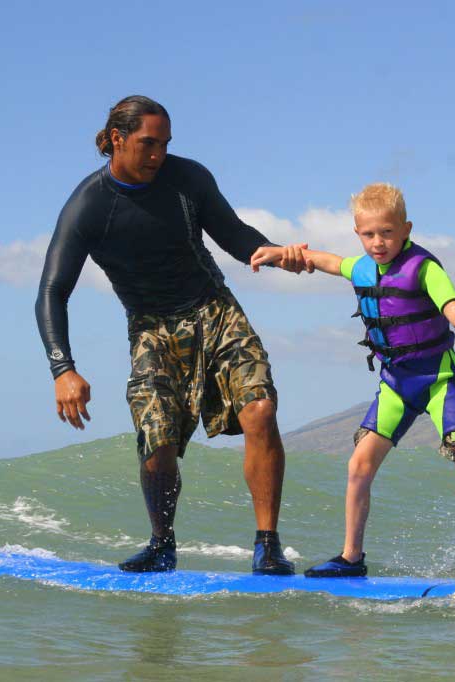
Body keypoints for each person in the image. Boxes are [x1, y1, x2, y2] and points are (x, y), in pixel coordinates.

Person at [36, 95, 310, 575]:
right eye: (147, 143)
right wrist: (63, 369)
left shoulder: (188, 179)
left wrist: (273, 252)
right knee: (156, 436)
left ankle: (268, 545)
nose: (158, 155)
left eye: (164, 144)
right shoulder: (89, 205)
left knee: (261, 409)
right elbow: (52, 291)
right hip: (150, 326)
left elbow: (235, 234)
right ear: (117, 139)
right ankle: (162, 544)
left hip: (214, 307)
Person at [251, 182, 455, 581]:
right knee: (358, 466)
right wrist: (282, 252)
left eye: (387, 232)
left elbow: (450, 303)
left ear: (406, 228)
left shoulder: (424, 267)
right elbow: (326, 261)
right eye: (369, 234)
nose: (378, 242)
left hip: (438, 381)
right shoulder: (362, 267)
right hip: (396, 385)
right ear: (357, 234)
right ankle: (351, 558)